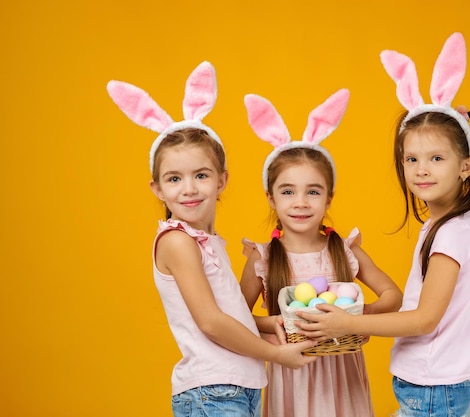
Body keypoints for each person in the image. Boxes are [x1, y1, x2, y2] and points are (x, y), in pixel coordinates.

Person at [106, 61, 317, 417]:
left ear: (221, 181)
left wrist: (267, 324)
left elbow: (226, 312)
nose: (188, 189)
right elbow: (210, 322)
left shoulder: (206, 240)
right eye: (174, 179)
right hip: (211, 393)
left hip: (234, 388)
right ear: (157, 189)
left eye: (200, 175)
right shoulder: (177, 241)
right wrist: (275, 354)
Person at [297, 33, 470, 417]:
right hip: (434, 382)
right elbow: (422, 307)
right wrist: (361, 317)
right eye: (411, 159)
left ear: (466, 165)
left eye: (437, 158)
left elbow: (425, 318)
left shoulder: (451, 233)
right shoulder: (447, 224)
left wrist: (343, 325)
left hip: (435, 387)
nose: (421, 169)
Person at [240, 89, 403, 417]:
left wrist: (356, 318)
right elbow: (236, 318)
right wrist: (270, 323)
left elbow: (393, 295)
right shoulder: (263, 259)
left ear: (328, 199)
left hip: (343, 373)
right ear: (271, 198)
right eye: (288, 191)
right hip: (293, 372)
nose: (300, 202)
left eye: (313, 192)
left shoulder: (343, 250)